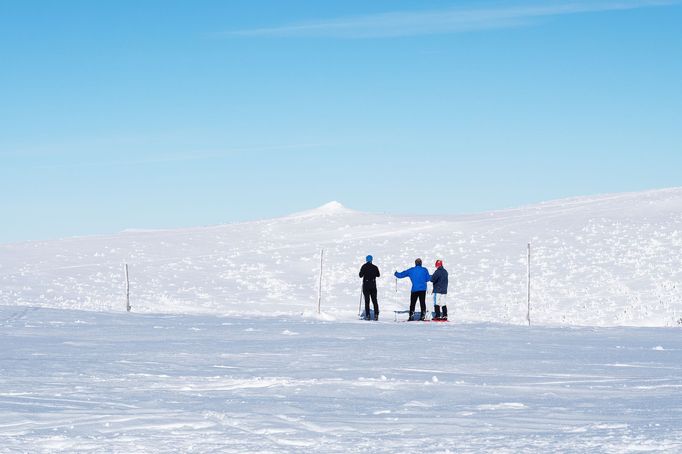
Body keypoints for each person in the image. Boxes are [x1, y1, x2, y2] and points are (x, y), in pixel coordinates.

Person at [359, 255, 380, 320]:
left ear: (366, 260)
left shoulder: (364, 266)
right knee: (374, 300)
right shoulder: (375, 267)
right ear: (371, 260)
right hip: (373, 286)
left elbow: (360, 275)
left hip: (366, 286)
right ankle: (376, 315)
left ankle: (368, 315)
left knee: (367, 301)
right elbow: (378, 275)